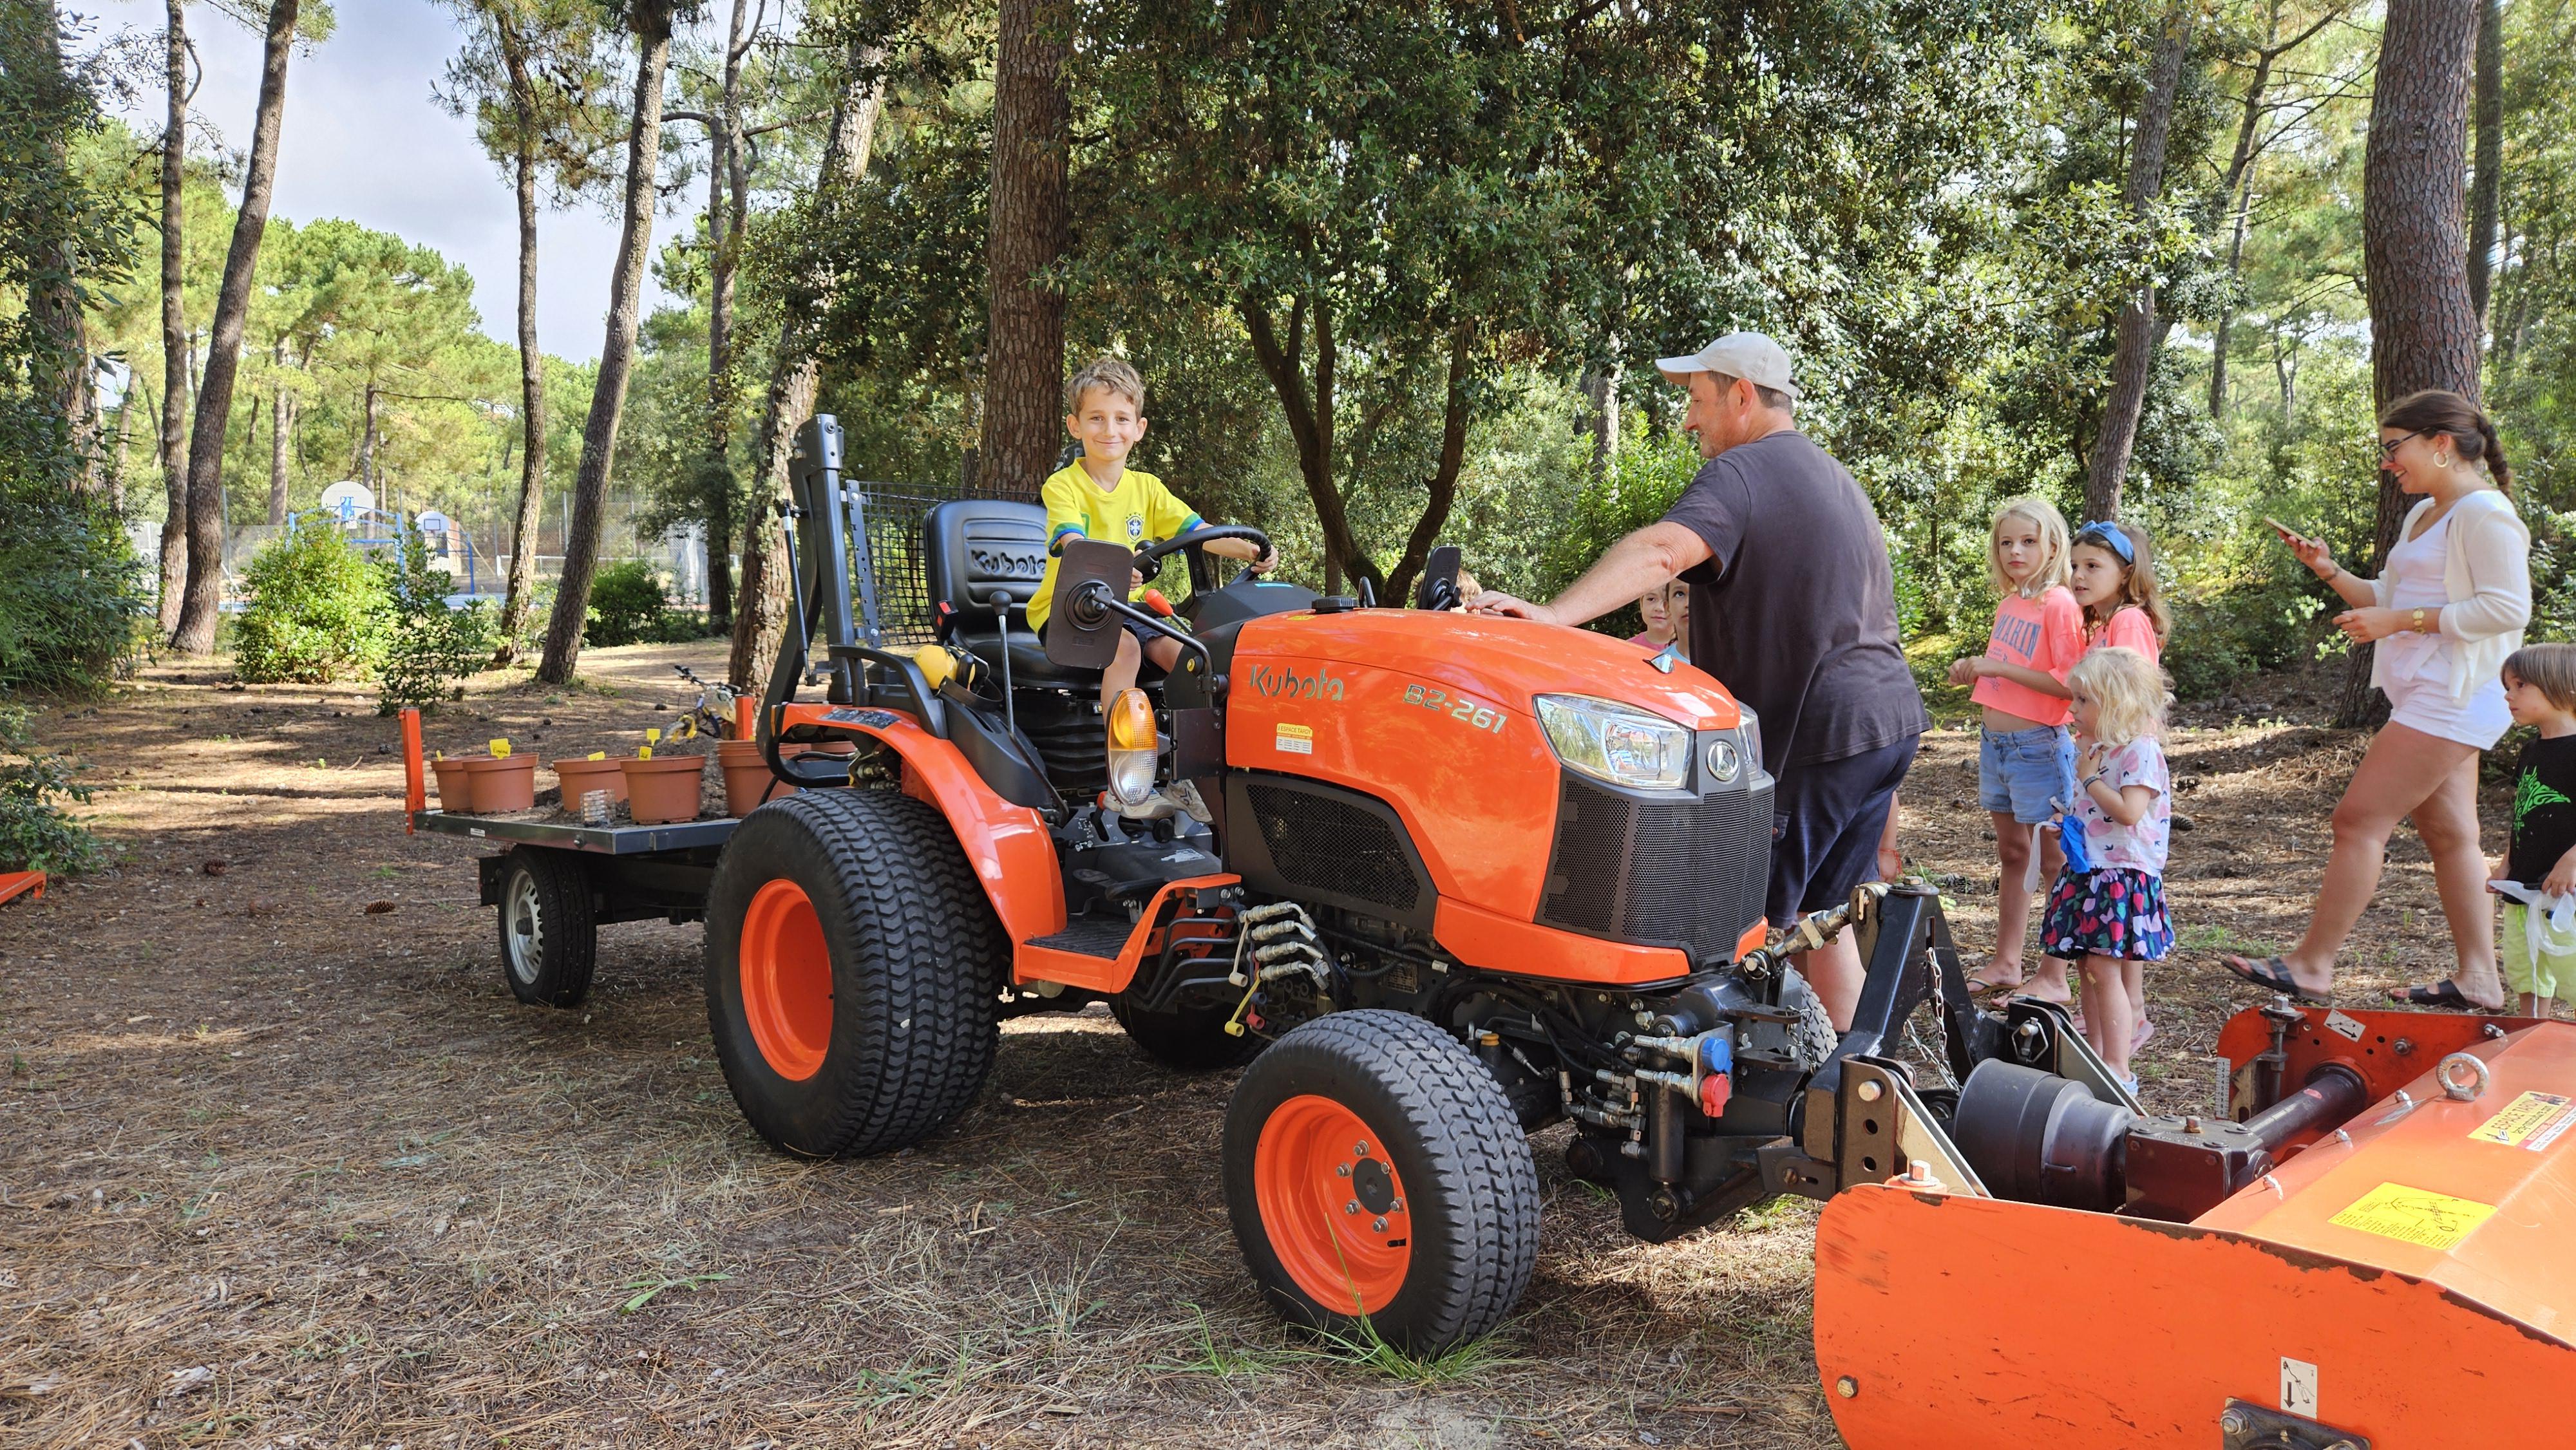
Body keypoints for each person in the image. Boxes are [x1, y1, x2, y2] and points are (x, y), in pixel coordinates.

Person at [1470, 332, 1927, 1029]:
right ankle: (1855, 1086)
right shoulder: (1832, 475)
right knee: (1815, 920)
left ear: (1742, 397)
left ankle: (1747, 1112)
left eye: (1697, 400)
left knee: (1744, 934)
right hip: (1883, 727)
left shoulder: (1744, 472)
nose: (1688, 419)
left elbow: (1661, 549)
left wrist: (1551, 617)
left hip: (1815, 731)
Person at [2222, 389, 2529, 1009]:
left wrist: (2403, 622)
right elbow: (2383, 597)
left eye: (2395, 448)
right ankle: (2480, 979)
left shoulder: (2485, 514)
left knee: (2359, 820)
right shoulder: (2425, 514)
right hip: (2426, 687)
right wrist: (2329, 571)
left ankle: (2312, 964)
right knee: (2451, 836)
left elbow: (2507, 608)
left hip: (2457, 691)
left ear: (2440, 443)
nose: (2389, 463)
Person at [1027, 357, 1276, 791]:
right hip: (1070, 612)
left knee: (1194, 659)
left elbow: (1200, 534)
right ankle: (1123, 782)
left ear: (1138, 428)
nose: (1110, 430)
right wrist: (1114, 572)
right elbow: (1074, 545)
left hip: (1131, 609)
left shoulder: (1148, 489)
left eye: (1121, 419)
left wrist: (1252, 550)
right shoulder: (1063, 487)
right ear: (1074, 425)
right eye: (1097, 419)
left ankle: (1198, 778)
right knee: (1124, 651)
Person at [1975, 517, 2172, 1046]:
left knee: (2119, 895)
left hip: (2122, 771)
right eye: (2077, 566)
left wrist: (2098, 757)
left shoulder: (2127, 621)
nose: (2079, 576)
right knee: (2110, 901)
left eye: (2093, 567)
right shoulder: (2103, 621)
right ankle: (2116, 1010)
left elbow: (2133, 697)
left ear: (2126, 572)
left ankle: (2129, 1014)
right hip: (2105, 764)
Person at [1947, 498, 2083, 1006]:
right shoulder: (2012, 602)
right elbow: (2004, 666)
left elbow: (2068, 684)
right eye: (2006, 542)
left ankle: (2054, 973)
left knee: (2053, 862)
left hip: (2038, 749)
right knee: (2012, 854)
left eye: (2028, 541)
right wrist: (1975, 669)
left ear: (2052, 545)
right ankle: (2007, 962)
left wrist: (1996, 669)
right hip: (1997, 745)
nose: (2015, 551)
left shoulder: (2060, 604)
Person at [2041, 647, 2175, 1093]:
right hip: (2091, 871)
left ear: (2116, 703)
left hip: (2121, 877)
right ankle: (2096, 1060)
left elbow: (2131, 812)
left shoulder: (2140, 751)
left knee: (2105, 969)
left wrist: (2091, 778)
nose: (2072, 709)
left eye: (2082, 701)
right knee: (2089, 968)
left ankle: (2118, 1067)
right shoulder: (2099, 749)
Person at [2490, 645, 2576, 1019]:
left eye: (2520, 685)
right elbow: (2524, 811)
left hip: (2567, 894)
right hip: (2524, 886)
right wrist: (2507, 865)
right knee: (2525, 967)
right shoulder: (2531, 750)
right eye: (2508, 686)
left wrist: (2572, 862)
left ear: (2563, 687)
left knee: (2570, 967)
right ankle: (2529, 1030)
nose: (2508, 695)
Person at [1627, 579, 1691, 661]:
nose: (1659, 608)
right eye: (1651, 599)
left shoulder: (1688, 651)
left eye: (1666, 601)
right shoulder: (1626, 648)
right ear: (1641, 604)